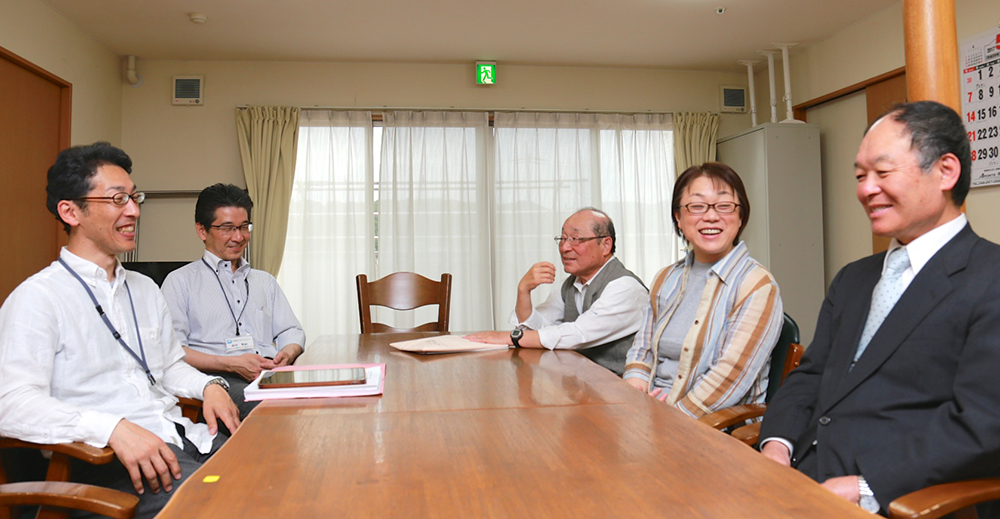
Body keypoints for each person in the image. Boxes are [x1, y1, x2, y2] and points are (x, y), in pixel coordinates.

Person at [759, 101, 1000, 515]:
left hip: (900, 499)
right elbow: (812, 375)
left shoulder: (989, 278)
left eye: (883, 173)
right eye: (859, 175)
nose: (866, 189)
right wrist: (776, 444)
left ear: (946, 171)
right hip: (799, 479)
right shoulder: (854, 278)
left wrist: (865, 485)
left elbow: (982, 423)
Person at [0, 142, 240, 519]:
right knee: (235, 505)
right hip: (101, 464)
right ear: (70, 211)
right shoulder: (37, 298)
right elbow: (11, 404)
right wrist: (111, 428)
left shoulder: (144, 289)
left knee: (274, 470)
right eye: (117, 199)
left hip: (177, 438)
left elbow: (169, 366)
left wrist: (209, 386)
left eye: (133, 197)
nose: (134, 210)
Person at [622, 163, 783, 418]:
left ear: (741, 216)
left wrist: (670, 417)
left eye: (724, 206)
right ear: (678, 216)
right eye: (697, 206)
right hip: (650, 413)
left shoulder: (757, 285)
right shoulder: (666, 278)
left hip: (712, 427)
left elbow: (730, 378)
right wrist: (634, 389)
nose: (710, 216)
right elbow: (643, 349)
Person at [162, 183, 305, 419]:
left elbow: (291, 330)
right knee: (273, 409)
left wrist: (287, 354)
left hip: (268, 374)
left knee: (322, 399)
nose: (238, 237)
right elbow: (174, 351)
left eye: (244, 227)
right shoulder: (179, 282)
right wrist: (230, 363)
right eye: (227, 228)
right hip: (216, 379)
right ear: (202, 230)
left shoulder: (265, 281)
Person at [466, 208, 647, 375]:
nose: (564, 247)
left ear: (606, 245)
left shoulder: (625, 287)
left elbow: (578, 334)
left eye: (575, 239)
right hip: (583, 384)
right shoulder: (568, 286)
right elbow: (535, 330)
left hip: (621, 389)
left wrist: (509, 337)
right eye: (562, 238)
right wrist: (524, 290)